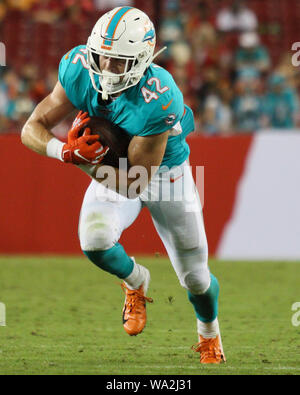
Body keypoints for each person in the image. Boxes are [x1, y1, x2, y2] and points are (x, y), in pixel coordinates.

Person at [21, 6, 226, 364]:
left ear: (143, 60)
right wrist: (64, 151)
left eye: (118, 62)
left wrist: (85, 164)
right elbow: (31, 128)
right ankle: (136, 281)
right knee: (94, 240)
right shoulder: (78, 68)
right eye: (101, 57)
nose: (106, 69)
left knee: (195, 277)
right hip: (108, 166)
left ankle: (209, 334)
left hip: (163, 176)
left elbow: (134, 183)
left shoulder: (160, 97)